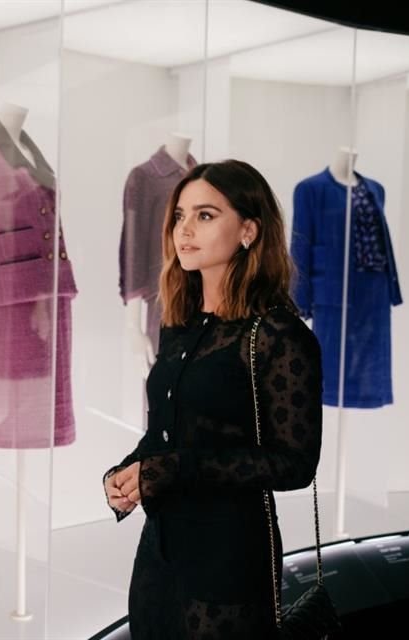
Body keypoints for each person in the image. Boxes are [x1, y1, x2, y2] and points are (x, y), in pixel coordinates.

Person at [103, 160, 323, 639]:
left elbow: (295, 464)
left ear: (248, 229)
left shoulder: (278, 335)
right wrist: (132, 469)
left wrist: (177, 468)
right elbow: (168, 429)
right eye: (180, 216)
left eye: (205, 215)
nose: (185, 229)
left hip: (229, 559)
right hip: (160, 554)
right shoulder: (177, 323)